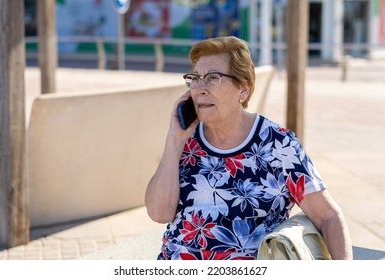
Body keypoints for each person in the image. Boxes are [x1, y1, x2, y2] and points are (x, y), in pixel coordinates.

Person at [145, 36, 352, 260]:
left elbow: (328, 216)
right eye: (194, 79)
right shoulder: (185, 139)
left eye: (213, 78)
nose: (199, 89)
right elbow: (159, 213)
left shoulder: (277, 144)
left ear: (243, 89)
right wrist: (174, 140)